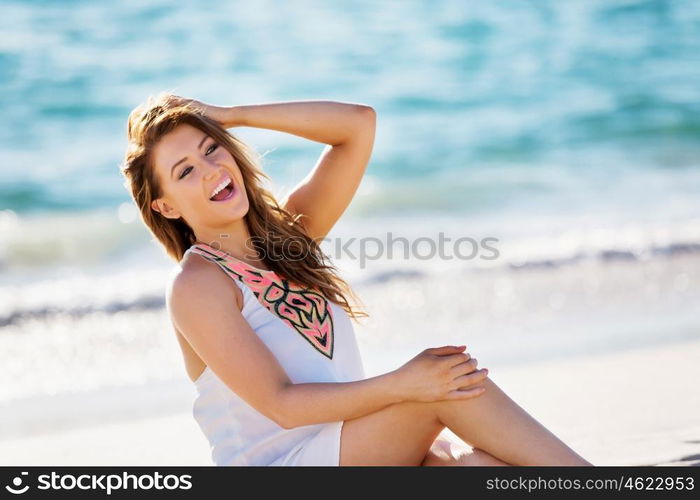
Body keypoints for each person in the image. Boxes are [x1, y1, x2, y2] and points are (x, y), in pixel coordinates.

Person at [120, 92, 592, 466]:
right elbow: (282, 404)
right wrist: (404, 384)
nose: (211, 171)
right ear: (166, 207)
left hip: (350, 451)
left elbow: (357, 125)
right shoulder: (198, 284)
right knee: (449, 384)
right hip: (286, 467)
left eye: (211, 149)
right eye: (185, 172)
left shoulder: (292, 240)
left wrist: (231, 114)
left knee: (476, 466)